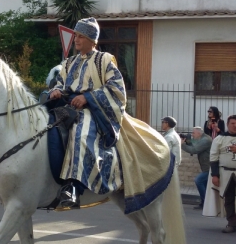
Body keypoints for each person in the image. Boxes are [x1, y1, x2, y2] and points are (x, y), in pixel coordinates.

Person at [49, 17, 174, 211]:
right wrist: (55, 91)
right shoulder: (69, 62)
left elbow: (116, 89)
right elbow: (60, 83)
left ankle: (74, 187)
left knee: (81, 131)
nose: (77, 40)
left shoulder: (104, 59)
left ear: (93, 39)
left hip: (94, 112)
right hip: (67, 107)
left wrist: (87, 98)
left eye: (81, 36)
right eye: (76, 36)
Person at [210, 115, 236, 233]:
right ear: (228, 124)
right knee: (229, 199)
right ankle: (232, 223)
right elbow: (214, 157)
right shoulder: (219, 139)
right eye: (232, 123)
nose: (235, 126)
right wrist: (215, 175)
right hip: (226, 173)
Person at [181, 127, 212, 210]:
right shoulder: (201, 139)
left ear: (199, 133)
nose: (192, 135)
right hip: (206, 166)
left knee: (198, 180)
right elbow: (193, 144)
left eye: (193, 133)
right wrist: (187, 141)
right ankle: (205, 203)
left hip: (209, 167)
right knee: (205, 185)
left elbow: (194, 150)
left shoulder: (205, 140)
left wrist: (182, 144)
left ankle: (206, 203)